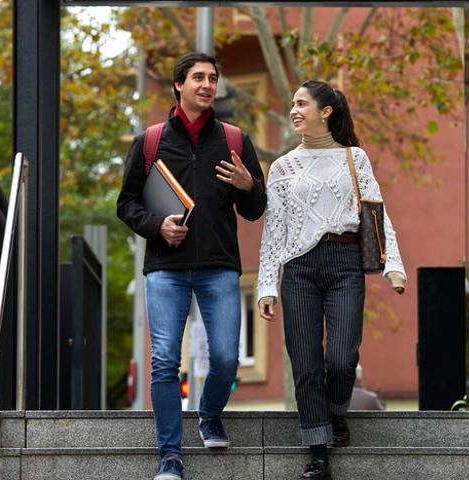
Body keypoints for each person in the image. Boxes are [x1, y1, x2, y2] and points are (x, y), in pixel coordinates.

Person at [117, 52, 266, 480]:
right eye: (198, 77)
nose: (207, 84)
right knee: (164, 360)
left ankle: (210, 414)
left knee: (224, 359)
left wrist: (249, 185)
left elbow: (256, 210)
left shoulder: (236, 140)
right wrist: (157, 226)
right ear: (178, 85)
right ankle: (170, 456)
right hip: (166, 267)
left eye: (213, 78)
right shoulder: (150, 140)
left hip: (220, 266)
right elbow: (125, 204)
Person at [257, 80, 406, 480]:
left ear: (326, 111)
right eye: (291, 104)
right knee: (305, 363)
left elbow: (377, 212)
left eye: (301, 103)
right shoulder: (284, 166)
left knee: (341, 359)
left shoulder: (355, 158)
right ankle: (318, 453)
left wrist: (393, 263)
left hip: (344, 264)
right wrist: (267, 284)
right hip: (299, 269)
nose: (293, 110)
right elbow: (274, 229)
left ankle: (337, 411)